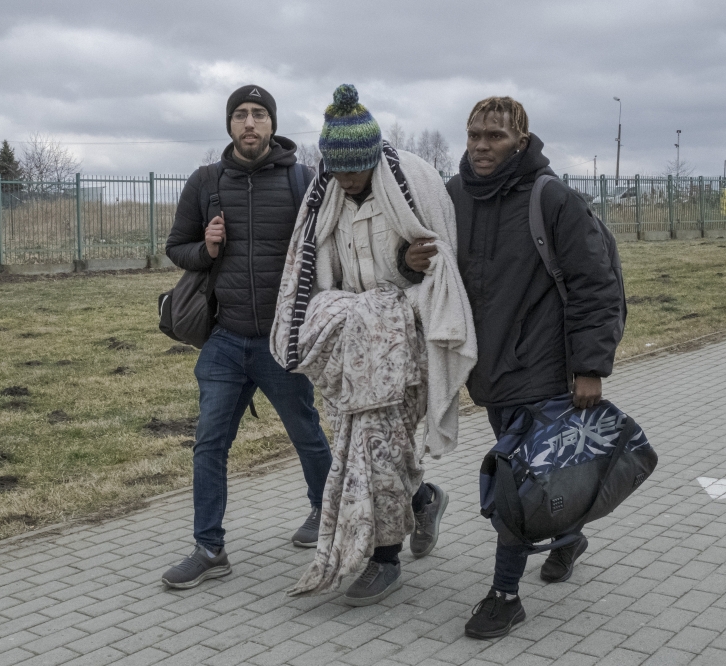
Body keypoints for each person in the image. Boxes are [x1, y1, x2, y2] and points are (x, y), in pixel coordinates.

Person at [404, 96, 623, 638]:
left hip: (544, 368)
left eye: (495, 136)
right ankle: (569, 539)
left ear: (520, 141)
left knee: (516, 483)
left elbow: (597, 287)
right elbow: (427, 271)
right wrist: (405, 264)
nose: (481, 145)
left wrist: (590, 368)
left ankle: (504, 596)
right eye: (474, 134)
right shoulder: (451, 197)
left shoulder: (553, 200)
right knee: (541, 474)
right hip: (488, 369)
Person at [273, 85, 476, 606]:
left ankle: (383, 561)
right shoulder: (329, 198)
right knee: (364, 448)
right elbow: (323, 272)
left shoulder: (411, 185)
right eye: (336, 171)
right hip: (353, 344)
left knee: (379, 448)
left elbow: (441, 262)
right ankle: (425, 499)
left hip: (403, 341)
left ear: (370, 159)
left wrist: (411, 271)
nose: (345, 180)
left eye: (354, 172)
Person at [161, 85, 332, 589]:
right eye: (241, 115)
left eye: (259, 114)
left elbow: (326, 249)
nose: (250, 123)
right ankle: (209, 548)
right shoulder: (205, 182)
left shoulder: (302, 180)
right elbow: (177, 248)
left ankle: (326, 513)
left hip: (282, 341)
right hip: (226, 339)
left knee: (307, 435)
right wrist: (206, 249)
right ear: (230, 125)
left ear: (273, 124)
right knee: (209, 443)